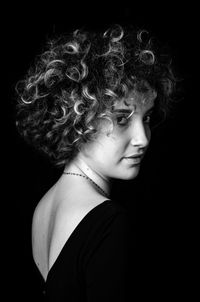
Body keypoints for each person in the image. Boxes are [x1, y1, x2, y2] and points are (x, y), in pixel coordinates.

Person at [15, 24, 176, 301]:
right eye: (122, 118)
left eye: (146, 118)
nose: (143, 138)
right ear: (80, 119)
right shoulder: (107, 222)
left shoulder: (45, 205)